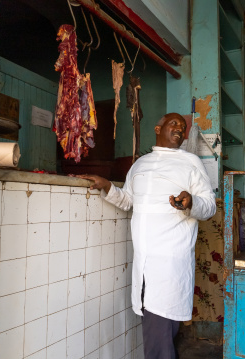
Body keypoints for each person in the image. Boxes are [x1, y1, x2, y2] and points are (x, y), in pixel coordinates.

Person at [78, 113, 216, 359]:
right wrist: (108, 186)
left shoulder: (191, 162)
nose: (180, 129)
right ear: (158, 127)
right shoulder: (140, 165)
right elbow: (128, 200)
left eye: (183, 127)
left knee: (158, 343)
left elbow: (209, 207)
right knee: (158, 339)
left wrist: (191, 202)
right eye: (174, 123)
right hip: (143, 266)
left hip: (169, 265)